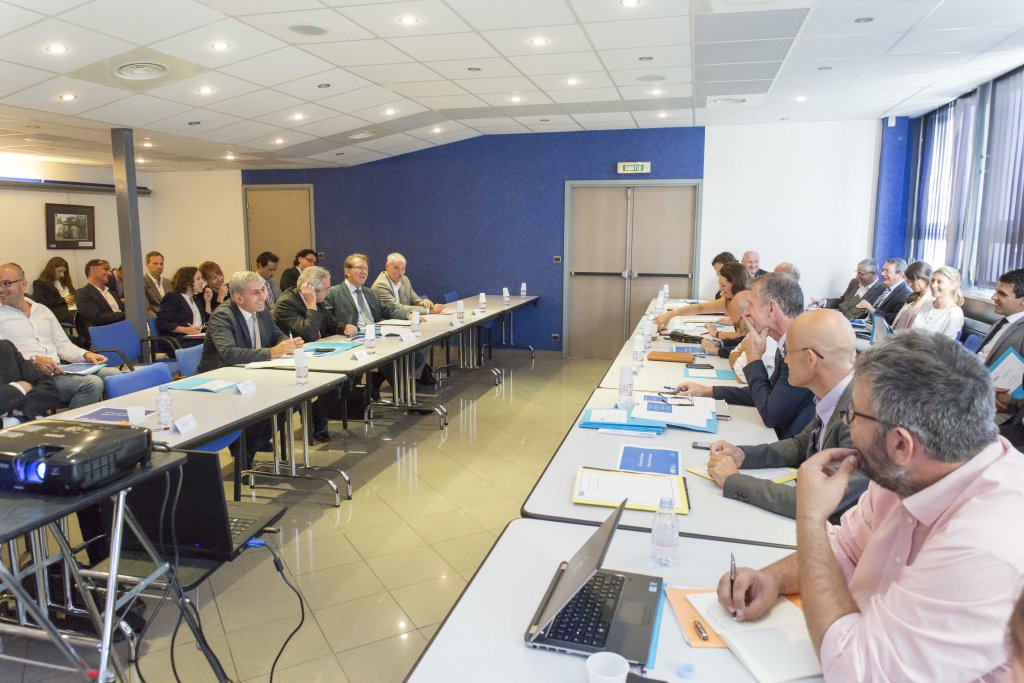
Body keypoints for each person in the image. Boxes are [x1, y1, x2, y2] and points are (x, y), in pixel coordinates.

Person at [718, 331, 1024, 682]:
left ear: (900, 444)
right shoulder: (912, 470)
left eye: (853, 415)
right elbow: (846, 549)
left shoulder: (986, 546)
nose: (846, 424)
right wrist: (771, 577)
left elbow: (857, 673)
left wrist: (811, 517)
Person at [704, 309, 865, 520]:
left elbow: (815, 501)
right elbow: (800, 445)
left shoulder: (862, 415)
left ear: (810, 359)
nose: (786, 361)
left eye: (788, 352)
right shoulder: (836, 394)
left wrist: (734, 480)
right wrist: (743, 455)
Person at [678, 273, 815, 439]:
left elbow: (771, 415)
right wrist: (707, 391)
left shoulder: (800, 348)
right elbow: (767, 393)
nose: (746, 314)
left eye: (750, 305)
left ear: (772, 308)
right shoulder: (789, 340)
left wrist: (754, 359)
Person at [197, 271, 302, 466]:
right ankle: (245, 450)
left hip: (252, 373)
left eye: (262, 290)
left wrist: (288, 344)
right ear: (238, 298)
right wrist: (272, 352)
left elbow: (276, 335)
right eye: (256, 292)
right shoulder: (223, 316)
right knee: (266, 402)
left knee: (293, 398)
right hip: (222, 379)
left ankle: (252, 443)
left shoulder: (261, 311)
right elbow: (228, 353)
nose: (263, 296)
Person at [0, 263, 116, 409]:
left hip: (59, 369)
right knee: (92, 384)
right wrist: (33, 361)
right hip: (30, 378)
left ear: (23, 284)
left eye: (6, 284)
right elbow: (4, 360)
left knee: (113, 374)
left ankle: (108, 421)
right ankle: (72, 429)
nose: (1, 289)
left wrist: (86, 355)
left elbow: (62, 344)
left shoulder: (42, 310)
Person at [324, 253, 423, 386]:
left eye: (366, 269)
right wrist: (343, 326)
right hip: (354, 339)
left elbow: (388, 310)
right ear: (347, 270)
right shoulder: (333, 292)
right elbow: (327, 319)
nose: (364, 272)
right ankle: (402, 397)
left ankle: (389, 388)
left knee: (414, 355)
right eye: (359, 268)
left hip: (376, 335)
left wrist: (408, 315)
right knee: (391, 359)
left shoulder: (369, 293)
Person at [273, 266, 339, 443]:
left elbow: (331, 324)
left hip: (318, 354)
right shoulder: (286, 303)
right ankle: (317, 418)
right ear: (310, 289)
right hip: (294, 360)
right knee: (333, 378)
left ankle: (318, 416)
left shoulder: (319, 299)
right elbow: (308, 334)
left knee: (342, 380)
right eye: (326, 288)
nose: (328, 291)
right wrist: (311, 305)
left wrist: (345, 327)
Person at [655, 262, 751, 329]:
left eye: (723, 285)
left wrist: (716, 334)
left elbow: (742, 337)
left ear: (736, 284)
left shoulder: (749, 303)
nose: (720, 289)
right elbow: (700, 308)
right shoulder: (728, 300)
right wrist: (671, 314)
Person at [371, 252, 444, 315]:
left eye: (403, 269)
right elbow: (397, 307)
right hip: (388, 322)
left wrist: (424, 302)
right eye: (396, 268)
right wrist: (428, 310)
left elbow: (415, 300)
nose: (400, 273)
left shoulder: (405, 280)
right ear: (387, 266)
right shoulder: (381, 285)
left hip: (405, 320)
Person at [812, 258, 885, 320]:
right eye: (857, 272)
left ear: (873, 273)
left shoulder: (882, 290)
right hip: (839, 320)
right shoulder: (854, 282)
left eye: (861, 274)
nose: (857, 277)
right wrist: (824, 302)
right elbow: (842, 301)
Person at [156, 266, 208, 346]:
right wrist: (185, 330)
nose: (202, 282)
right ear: (187, 282)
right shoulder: (172, 297)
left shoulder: (196, 299)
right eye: (198, 279)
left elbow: (204, 323)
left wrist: (207, 301)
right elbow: (162, 322)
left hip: (196, 340)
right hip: (178, 341)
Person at [909, 266, 965, 338]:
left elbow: (947, 346)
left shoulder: (955, 314)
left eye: (940, 282)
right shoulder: (927, 304)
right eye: (932, 280)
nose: (933, 285)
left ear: (953, 286)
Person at [854, 257, 911, 326]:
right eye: (883, 270)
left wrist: (872, 310)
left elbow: (895, 321)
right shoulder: (885, 288)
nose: (882, 274)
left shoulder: (906, 294)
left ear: (900, 274)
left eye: (887, 271)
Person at [74, 259, 125, 333]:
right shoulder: (82, 293)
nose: (110, 273)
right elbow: (97, 318)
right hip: (104, 333)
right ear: (93, 269)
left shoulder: (112, 293)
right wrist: (125, 314)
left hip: (123, 329)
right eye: (105, 269)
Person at [32, 256, 77, 327]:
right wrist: (63, 300)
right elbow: (40, 302)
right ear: (51, 270)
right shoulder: (39, 283)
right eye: (59, 271)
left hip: (73, 309)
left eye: (64, 272)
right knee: (84, 319)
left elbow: (73, 294)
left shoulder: (64, 281)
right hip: (58, 313)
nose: (62, 275)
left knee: (89, 314)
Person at [891, 260, 933, 330]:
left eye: (913, 281)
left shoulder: (931, 300)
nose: (909, 284)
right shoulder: (913, 295)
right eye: (908, 281)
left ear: (925, 279)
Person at [142, 251, 171, 317]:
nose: (159, 267)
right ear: (147, 265)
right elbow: (146, 309)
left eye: (161, 264)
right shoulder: (142, 283)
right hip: (156, 320)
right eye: (155, 263)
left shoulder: (169, 283)